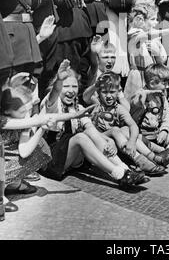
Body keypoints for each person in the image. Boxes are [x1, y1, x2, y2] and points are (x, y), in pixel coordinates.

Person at [40, 60, 146, 188]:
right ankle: (119, 174)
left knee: (88, 131)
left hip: (72, 158)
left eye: (74, 87)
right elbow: (54, 93)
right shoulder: (52, 104)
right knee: (80, 137)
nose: (71, 91)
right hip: (52, 159)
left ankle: (125, 169)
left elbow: (91, 129)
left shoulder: (78, 107)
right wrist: (58, 81)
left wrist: (108, 141)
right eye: (66, 86)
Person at [90, 72, 166, 175]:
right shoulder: (96, 104)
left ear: (118, 92)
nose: (108, 96)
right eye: (104, 92)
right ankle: (145, 160)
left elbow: (133, 125)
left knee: (127, 129)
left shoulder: (119, 108)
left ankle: (150, 158)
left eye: (112, 92)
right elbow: (86, 96)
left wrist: (131, 142)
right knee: (116, 130)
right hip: (98, 137)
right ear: (99, 92)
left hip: (117, 142)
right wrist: (96, 85)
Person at [130, 63, 169, 158]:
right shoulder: (141, 95)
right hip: (145, 138)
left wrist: (164, 130)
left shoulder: (162, 96)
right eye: (164, 83)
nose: (167, 86)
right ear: (152, 83)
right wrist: (143, 96)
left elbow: (167, 117)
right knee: (137, 138)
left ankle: (167, 152)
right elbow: (135, 104)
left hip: (159, 136)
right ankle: (163, 153)